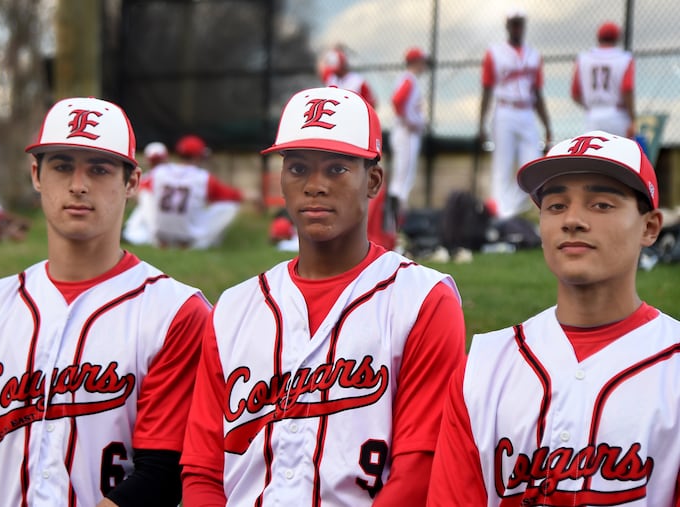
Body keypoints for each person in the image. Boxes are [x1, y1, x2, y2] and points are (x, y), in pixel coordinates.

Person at [180, 86, 466, 506]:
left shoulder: (423, 300)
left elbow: (420, 466)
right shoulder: (234, 309)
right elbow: (203, 470)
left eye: (336, 169)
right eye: (297, 168)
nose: (314, 185)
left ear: (373, 181)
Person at [0, 97, 211, 506]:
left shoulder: (176, 313)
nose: (78, 184)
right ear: (37, 175)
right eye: (62, 166)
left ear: (132, 182)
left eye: (99, 168)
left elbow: (163, 476)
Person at [427, 130, 680, 506]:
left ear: (650, 227)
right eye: (556, 206)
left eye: (601, 205)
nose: (573, 220)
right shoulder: (482, 369)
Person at [478, 9, 552, 220]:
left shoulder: (534, 55)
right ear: (507, 26)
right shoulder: (494, 53)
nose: (517, 28)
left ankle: (512, 210)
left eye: (520, 24)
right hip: (504, 111)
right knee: (502, 166)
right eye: (514, 24)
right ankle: (502, 217)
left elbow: (537, 93)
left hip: (527, 112)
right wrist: (481, 124)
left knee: (534, 166)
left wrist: (547, 126)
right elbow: (487, 89)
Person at [125, 134, 243, 249]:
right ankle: (199, 242)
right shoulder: (203, 177)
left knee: (146, 196)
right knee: (230, 206)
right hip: (189, 237)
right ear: (198, 156)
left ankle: (147, 237)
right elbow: (234, 196)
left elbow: (139, 190)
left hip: (159, 233)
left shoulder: (158, 172)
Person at [388, 46, 431, 224]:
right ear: (415, 62)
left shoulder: (409, 80)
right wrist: (408, 121)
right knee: (401, 179)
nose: (424, 65)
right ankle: (393, 219)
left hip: (407, 133)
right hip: (405, 133)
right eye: (422, 61)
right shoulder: (408, 79)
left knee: (404, 178)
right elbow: (397, 101)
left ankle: (396, 219)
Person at [571, 21, 636, 138]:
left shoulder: (583, 58)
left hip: (593, 115)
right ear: (617, 38)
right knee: (619, 154)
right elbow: (627, 88)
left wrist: (590, 106)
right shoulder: (625, 58)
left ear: (598, 37)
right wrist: (633, 118)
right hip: (617, 114)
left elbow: (575, 94)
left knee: (593, 154)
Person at [122, 141, 168, 245]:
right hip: (172, 217)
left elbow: (138, 194)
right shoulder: (169, 173)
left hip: (158, 217)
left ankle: (129, 233)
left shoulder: (153, 176)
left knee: (146, 200)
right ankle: (129, 232)